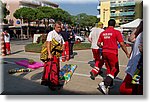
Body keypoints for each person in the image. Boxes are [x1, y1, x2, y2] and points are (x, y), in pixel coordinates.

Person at [97, 19, 130, 94]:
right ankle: (104, 83)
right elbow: (121, 44)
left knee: (109, 68)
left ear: (108, 24)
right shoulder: (116, 32)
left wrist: (104, 46)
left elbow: (98, 43)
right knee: (115, 69)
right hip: (112, 52)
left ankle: (110, 84)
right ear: (114, 24)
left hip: (104, 52)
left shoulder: (103, 33)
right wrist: (127, 53)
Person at [119, 21, 143, 95]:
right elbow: (131, 39)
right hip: (134, 67)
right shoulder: (141, 32)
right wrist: (140, 26)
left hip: (140, 68)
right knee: (125, 90)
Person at [41, 21, 65, 90]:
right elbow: (48, 43)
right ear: (54, 27)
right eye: (58, 27)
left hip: (57, 55)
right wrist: (49, 54)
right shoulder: (51, 33)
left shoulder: (60, 35)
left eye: (60, 27)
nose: (59, 29)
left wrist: (62, 47)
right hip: (51, 55)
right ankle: (52, 84)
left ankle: (56, 82)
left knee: (56, 69)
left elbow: (63, 43)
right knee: (52, 69)